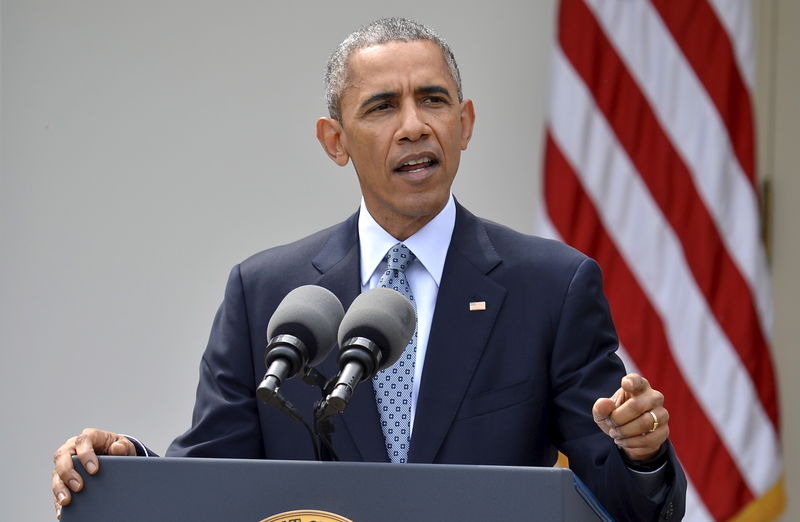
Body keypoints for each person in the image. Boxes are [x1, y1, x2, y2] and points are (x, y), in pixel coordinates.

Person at [52, 17, 686, 521]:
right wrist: (128, 464)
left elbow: (630, 507)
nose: (414, 126)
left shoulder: (551, 286)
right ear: (335, 141)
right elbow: (212, 480)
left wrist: (642, 451)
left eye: (433, 100)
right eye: (383, 107)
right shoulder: (265, 293)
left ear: (464, 125)